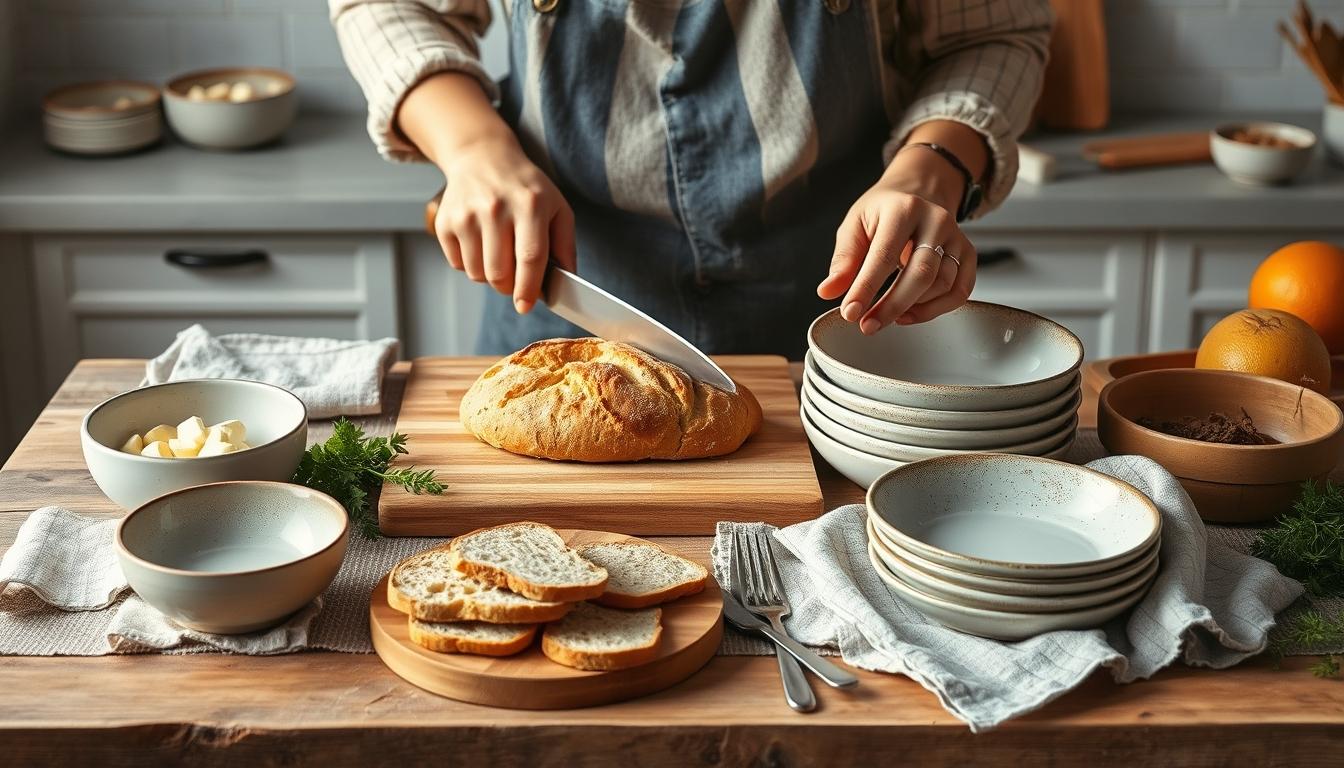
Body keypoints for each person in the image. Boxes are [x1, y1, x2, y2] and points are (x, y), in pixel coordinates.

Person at [332, 0, 1051, 358]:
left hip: (841, 319)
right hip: (567, 303)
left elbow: (992, 33)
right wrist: (472, 146)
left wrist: (935, 169)